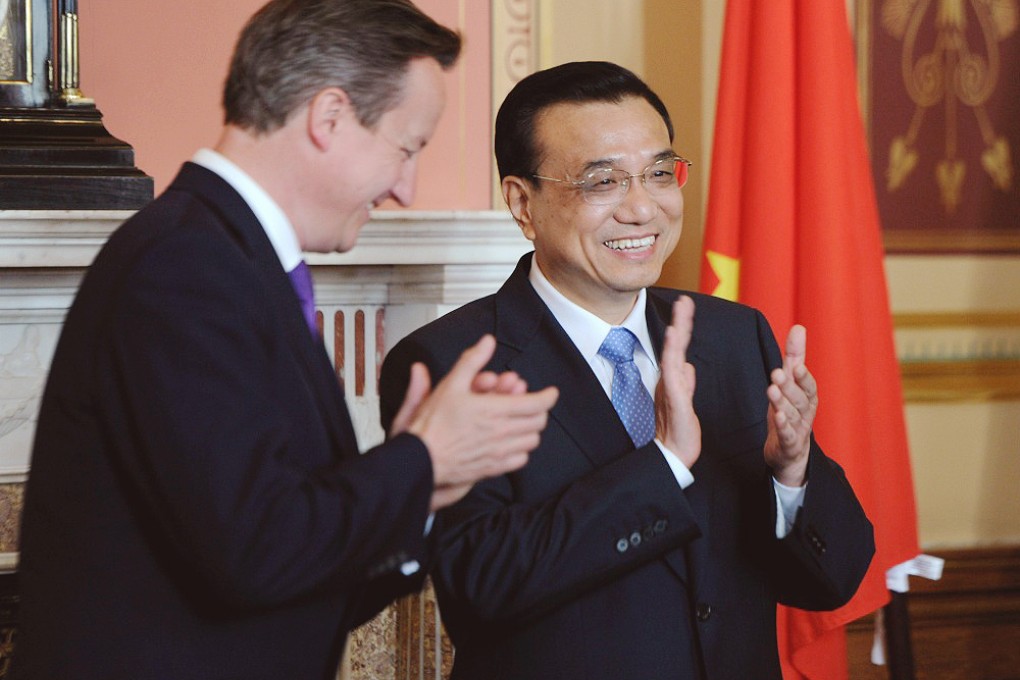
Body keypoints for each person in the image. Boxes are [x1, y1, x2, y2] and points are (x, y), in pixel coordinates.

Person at [11, 1, 557, 679]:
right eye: (407, 148)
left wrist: (424, 484)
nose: (406, 189)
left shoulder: (226, 260)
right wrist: (420, 460)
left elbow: (287, 563)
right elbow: (252, 552)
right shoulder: (185, 269)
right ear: (328, 117)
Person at [379, 61, 875, 679]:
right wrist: (663, 464)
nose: (643, 209)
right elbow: (480, 589)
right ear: (522, 202)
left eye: (661, 174)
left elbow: (832, 581)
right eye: (603, 182)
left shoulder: (733, 338)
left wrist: (793, 473)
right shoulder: (452, 361)